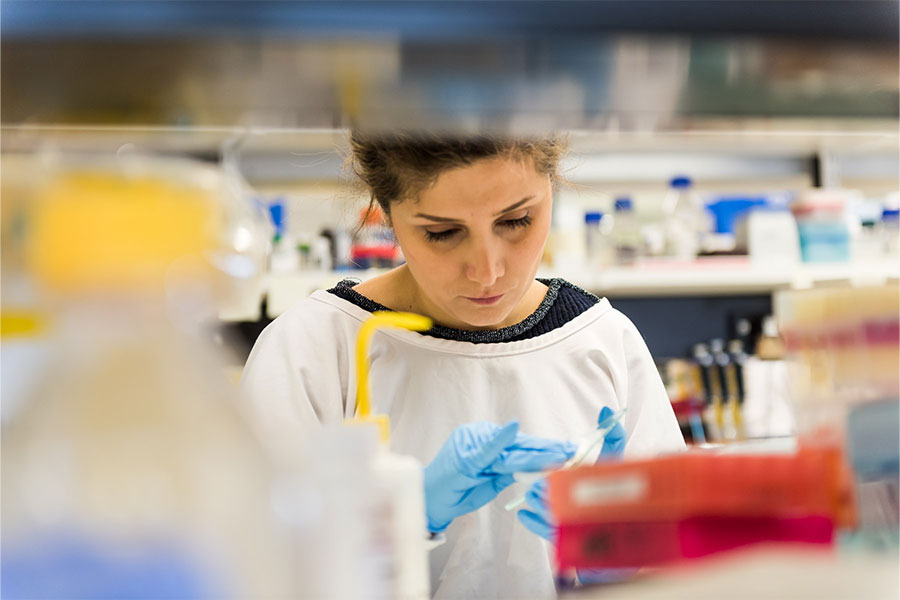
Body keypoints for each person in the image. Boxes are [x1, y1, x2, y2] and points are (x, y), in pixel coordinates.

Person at [240, 131, 685, 599]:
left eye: (517, 221)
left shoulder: (603, 342)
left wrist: (618, 567)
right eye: (443, 233)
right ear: (387, 213)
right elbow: (249, 576)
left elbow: (691, 578)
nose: (487, 270)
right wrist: (399, 526)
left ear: (551, 188)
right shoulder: (313, 350)